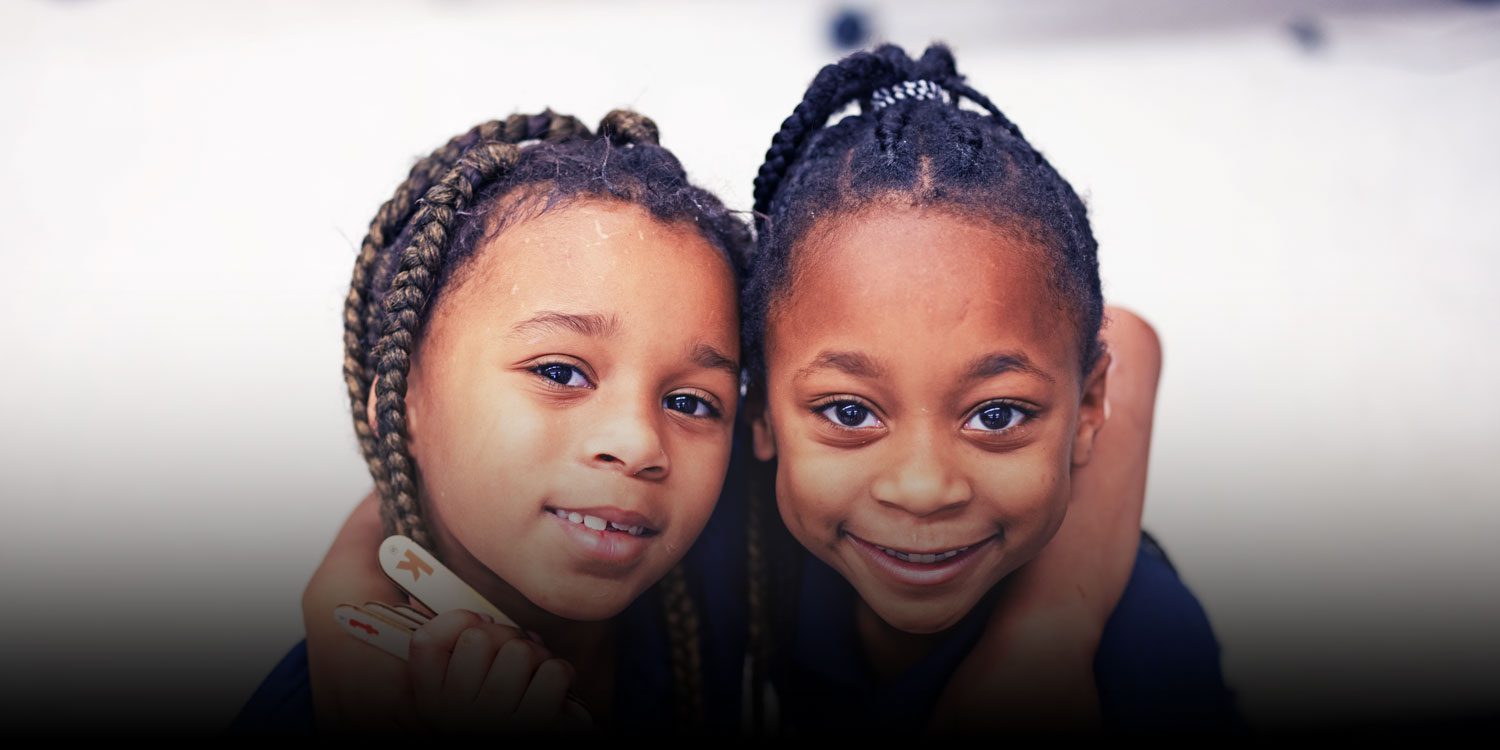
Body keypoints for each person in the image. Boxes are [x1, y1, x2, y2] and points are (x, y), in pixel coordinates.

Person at [738, 43, 1239, 734]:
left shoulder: (1144, 656)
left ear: (1089, 405)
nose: (921, 488)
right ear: (759, 408)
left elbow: (1125, 339)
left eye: (996, 415)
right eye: (849, 411)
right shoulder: (725, 540)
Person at [233, 109, 755, 734]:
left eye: (691, 402)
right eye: (560, 373)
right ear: (403, 407)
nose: (638, 443)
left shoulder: (742, 573)